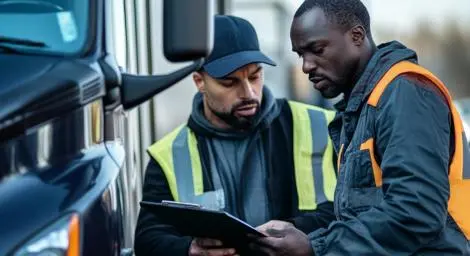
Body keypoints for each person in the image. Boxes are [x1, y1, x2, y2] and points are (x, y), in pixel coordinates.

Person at [250, 0, 470, 255]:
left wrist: (315, 247)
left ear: (356, 35)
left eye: (317, 49)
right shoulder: (364, 106)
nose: (306, 66)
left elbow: (416, 212)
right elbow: (360, 212)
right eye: (301, 55)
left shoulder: (405, 92)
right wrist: (295, 229)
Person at [134, 15, 338, 256]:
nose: (248, 93)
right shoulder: (169, 154)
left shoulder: (323, 126)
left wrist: (297, 230)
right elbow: (148, 239)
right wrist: (190, 250)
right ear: (200, 82)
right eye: (229, 82)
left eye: (255, 76)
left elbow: (358, 210)